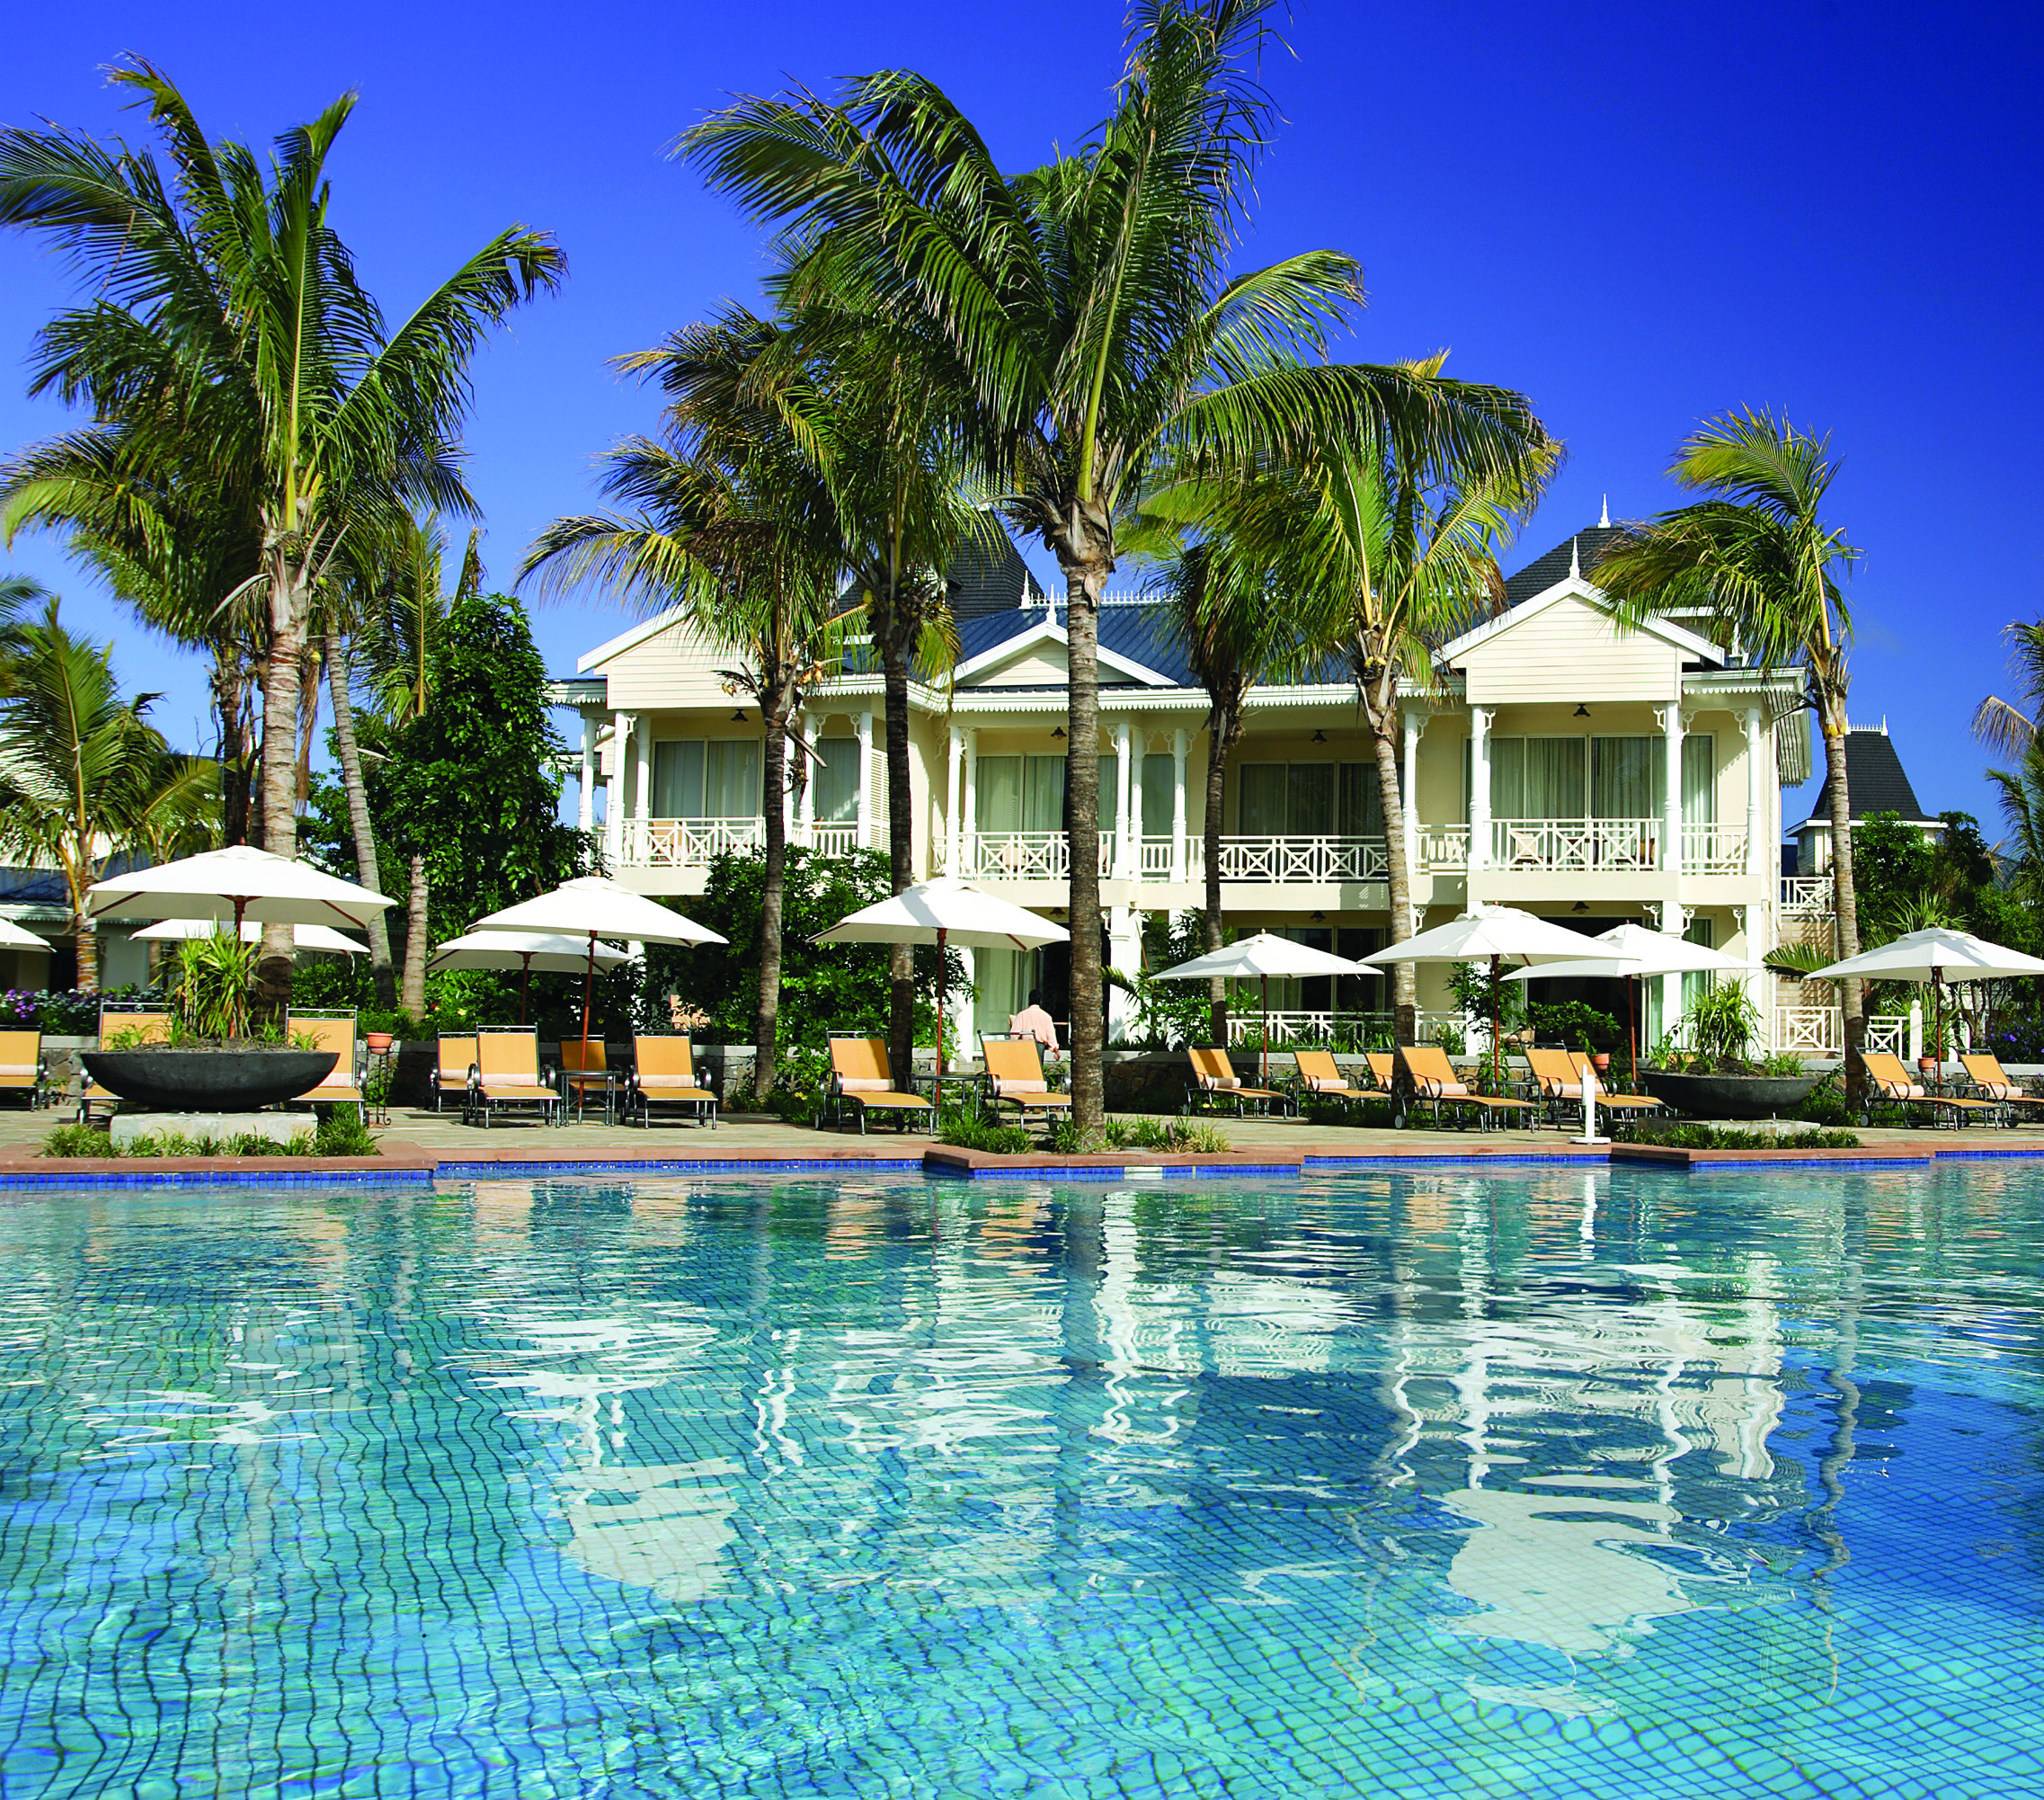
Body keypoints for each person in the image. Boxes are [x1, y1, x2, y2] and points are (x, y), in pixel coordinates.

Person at [1008, 988, 1059, 1056]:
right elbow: (1051, 1035)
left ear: (1029, 1000)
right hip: (1039, 1046)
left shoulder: (1022, 1015)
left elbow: (1014, 1034)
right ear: (1040, 1001)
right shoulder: (1046, 1016)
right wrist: (1055, 1049)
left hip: (1025, 1045)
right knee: (1038, 1063)